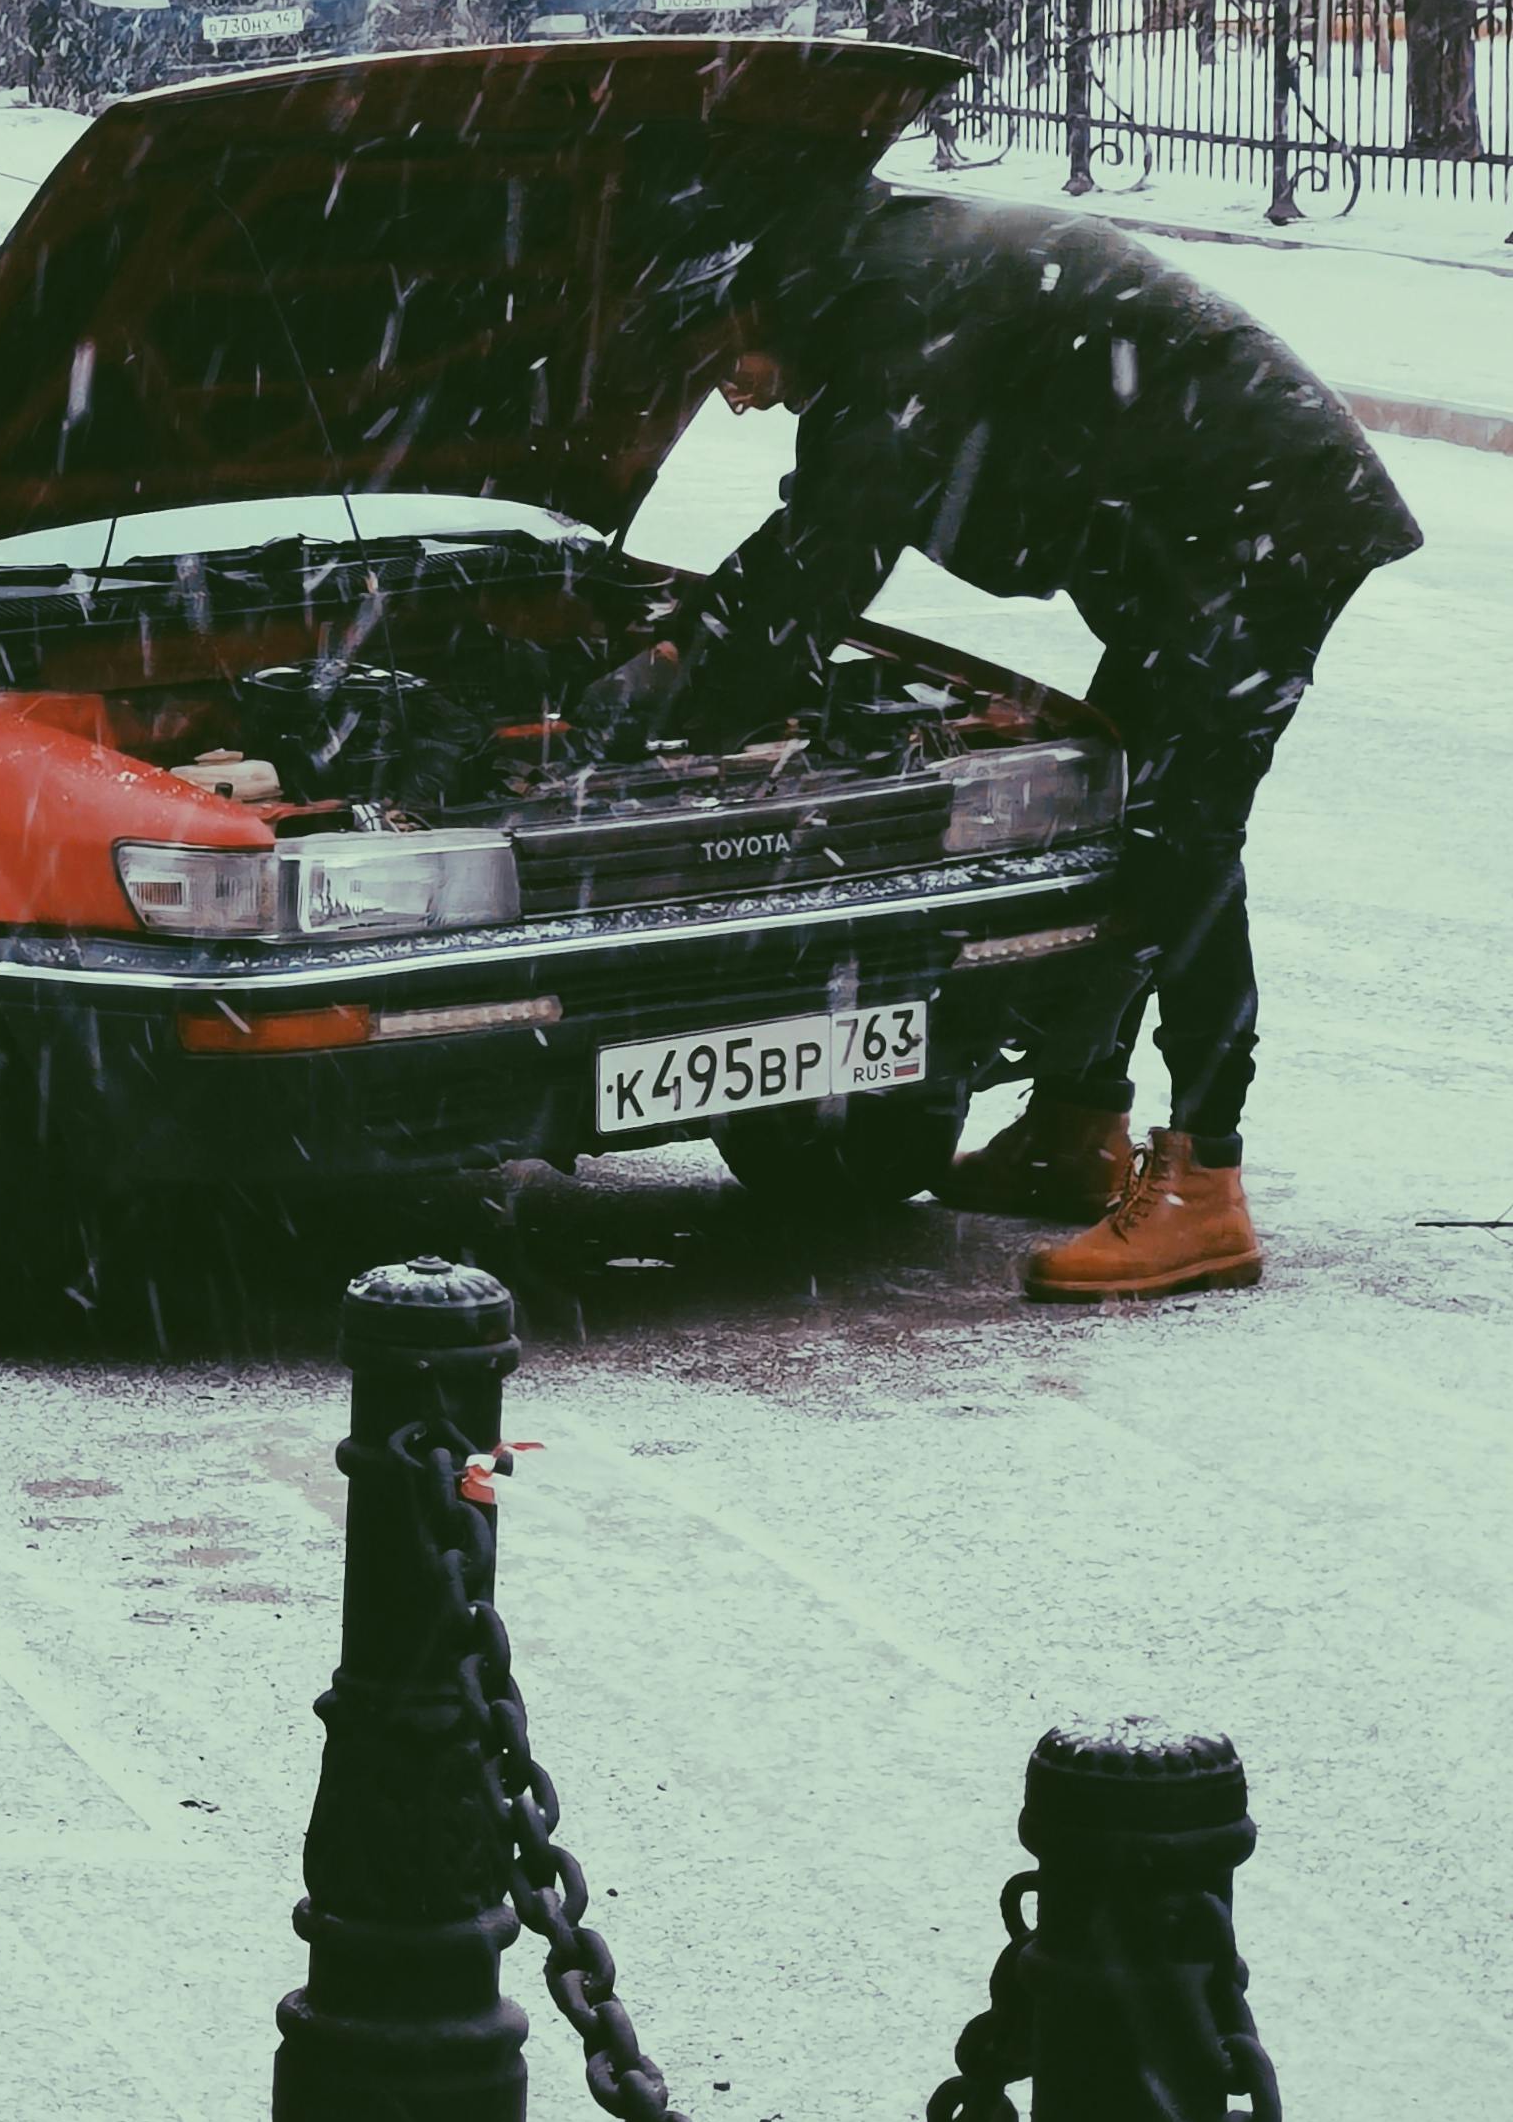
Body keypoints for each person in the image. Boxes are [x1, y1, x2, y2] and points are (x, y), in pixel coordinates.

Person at [594, 187, 1420, 1298]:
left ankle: (1204, 1181)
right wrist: (685, 642)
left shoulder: (893, 312)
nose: (730, 394)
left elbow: (830, 554)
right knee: (1126, 806)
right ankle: (1080, 1123)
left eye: (720, 359)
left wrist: (685, 723)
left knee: (1182, 829)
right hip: (1212, 523)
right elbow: (819, 529)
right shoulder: (866, 282)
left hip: (1263, 519)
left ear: (751, 302)